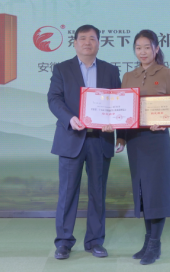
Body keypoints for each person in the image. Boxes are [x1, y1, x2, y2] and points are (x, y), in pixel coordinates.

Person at [48, 24, 124, 260]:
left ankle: (95, 241)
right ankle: (63, 242)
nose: (87, 42)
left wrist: (117, 127)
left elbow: (119, 102)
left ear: (99, 43)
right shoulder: (62, 69)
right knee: (67, 193)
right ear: (75, 43)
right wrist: (69, 118)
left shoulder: (111, 70)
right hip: (71, 137)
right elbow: (54, 98)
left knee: (97, 193)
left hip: (100, 139)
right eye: (82, 38)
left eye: (92, 38)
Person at [120, 29, 170, 265]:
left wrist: (164, 120)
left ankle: (155, 244)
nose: (142, 52)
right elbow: (123, 110)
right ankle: (148, 242)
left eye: (147, 47)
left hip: (157, 140)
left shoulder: (166, 73)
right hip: (135, 141)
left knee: (156, 191)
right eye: (138, 48)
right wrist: (121, 138)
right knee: (143, 191)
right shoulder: (128, 76)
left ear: (156, 48)